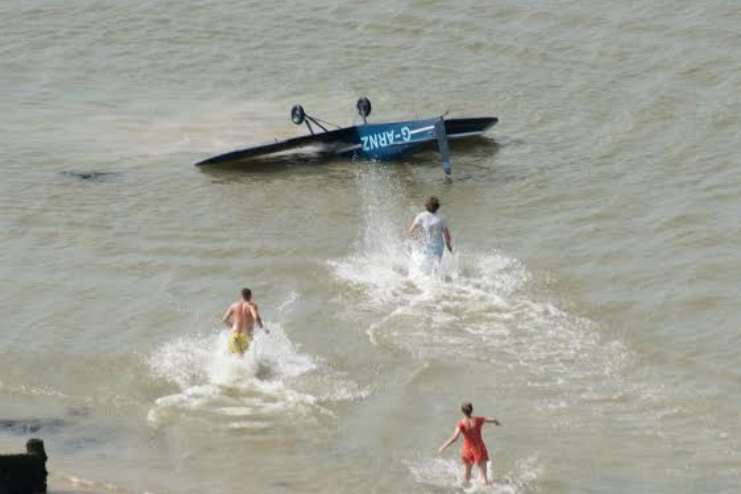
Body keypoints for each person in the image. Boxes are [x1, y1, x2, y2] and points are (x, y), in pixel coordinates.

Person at [438, 402, 501, 486]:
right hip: (479, 449)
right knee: (484, 478)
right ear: (472, 410)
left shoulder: (461, 423)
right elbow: (492, 419)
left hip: (467, 450)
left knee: (467, 476)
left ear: (462, 411)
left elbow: (455, 438)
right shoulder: (478, 419)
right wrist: (496, 422)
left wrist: (443, 446)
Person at [222, 288, 266, 355]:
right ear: (250, 296)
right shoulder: (251, 306)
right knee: (245, 361)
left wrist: (232, 326)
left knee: (234, 359)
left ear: (241, 296)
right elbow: (256, 317)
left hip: (233, 336)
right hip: (245, 338)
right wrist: (262, 328)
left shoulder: (233, 305)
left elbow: (224, 320)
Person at [408, 196, 453, 261]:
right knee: (436, 266)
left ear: (425, 206)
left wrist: (417, 240)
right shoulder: (441, 218)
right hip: (438, 246)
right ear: (438, 207)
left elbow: (411, 231)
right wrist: (449, 247)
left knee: (423, 262)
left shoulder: (421, 216)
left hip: (426, 244)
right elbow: (447, 236)